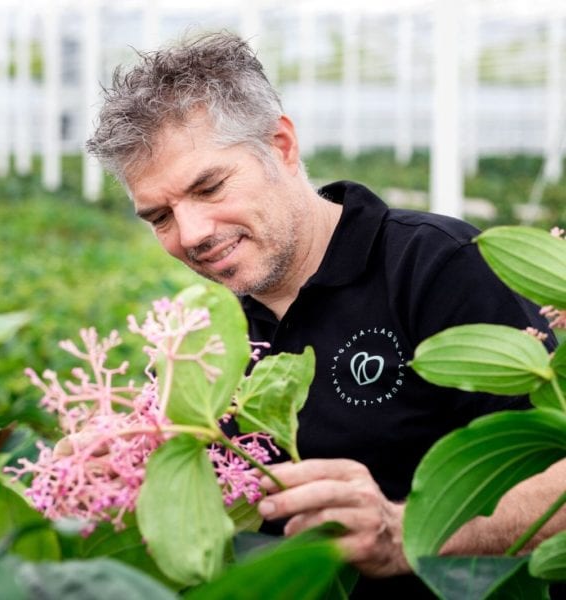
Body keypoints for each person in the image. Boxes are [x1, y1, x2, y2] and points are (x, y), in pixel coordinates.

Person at [86, 32, 565, 597]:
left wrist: (406, 530)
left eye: (210, 187)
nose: (191, 234)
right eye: (160, 217)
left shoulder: (436, 266)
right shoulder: (200, 341)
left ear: (282, 146)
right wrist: (119, 479)